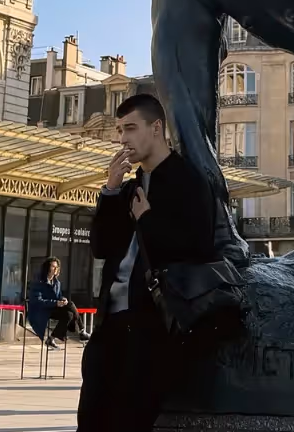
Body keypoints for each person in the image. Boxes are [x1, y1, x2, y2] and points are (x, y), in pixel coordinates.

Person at [77, 94, 217, 432]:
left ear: (156, 128)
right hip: (110, 326)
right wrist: (110, 191)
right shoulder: (130, 188)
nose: (122, 139)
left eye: (130, 128)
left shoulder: (189, 181)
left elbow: (198, 249)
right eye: (119, 130)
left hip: (152, 328)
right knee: (90, 421)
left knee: (128, 422)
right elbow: (101, 247)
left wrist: (148, 221)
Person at [27, 257, 80, 347]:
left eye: (57, 267)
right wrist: (56, 303)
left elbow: (58, 297)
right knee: (70, 307)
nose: (55, 269)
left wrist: (63, 299)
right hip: (41, 310)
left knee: (69, 312)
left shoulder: (57, 283)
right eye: (53, 266)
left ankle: (51, 339)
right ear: (47, 267)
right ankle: (81, 330)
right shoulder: (39, 282)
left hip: (52, 308)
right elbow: (38, 301)